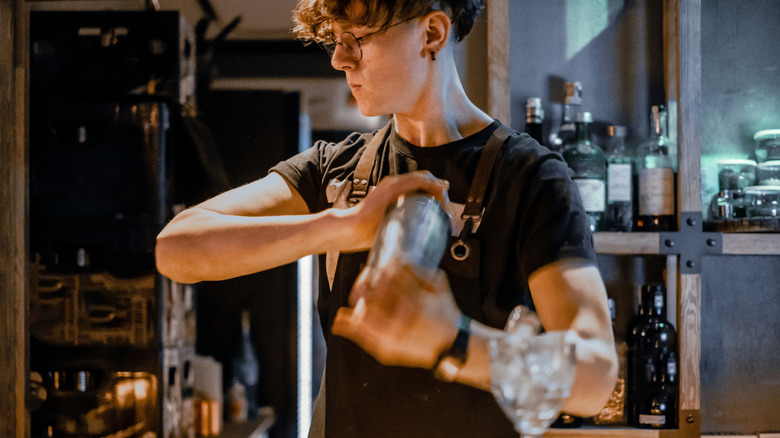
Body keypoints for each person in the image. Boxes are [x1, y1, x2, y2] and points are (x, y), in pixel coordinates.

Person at [155, 0, 618, 436]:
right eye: (335, 39)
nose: (339, 59)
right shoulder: (333, 170)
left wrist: (453, 341)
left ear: (432, 34)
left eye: (355, 38)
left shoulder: (531, 178)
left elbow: (595, 378)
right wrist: (344, 225)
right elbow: (177, 247)